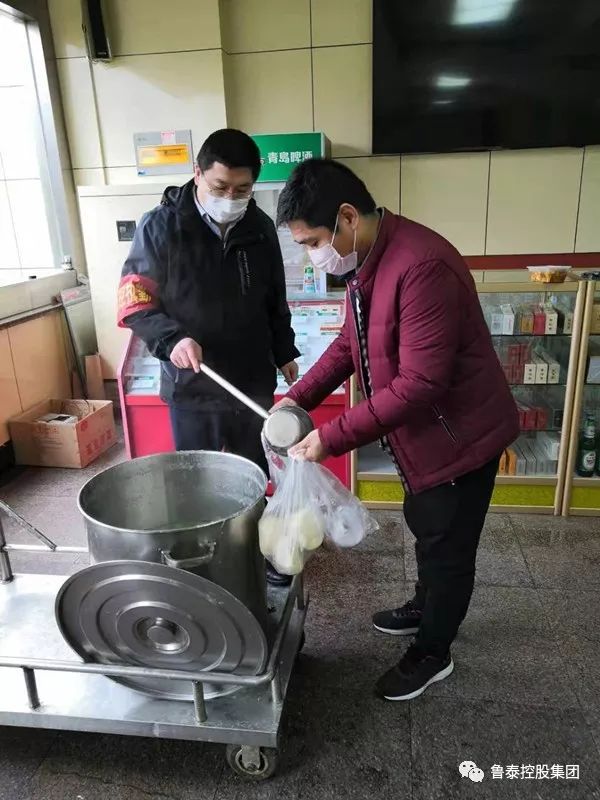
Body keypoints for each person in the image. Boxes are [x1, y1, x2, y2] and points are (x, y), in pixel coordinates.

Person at [273, 158, 519, 700]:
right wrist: (297, 397)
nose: (314, 256)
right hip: (425, 436)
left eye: (313, 242)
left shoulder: (422, 265)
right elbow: (349, 345)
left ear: (347, 218)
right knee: (429, 529)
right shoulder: (367, 262)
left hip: (459, 439)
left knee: (448, 549)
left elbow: (421, 383)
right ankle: (424, 606)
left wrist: (331, 437)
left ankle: (433, 653)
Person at [118, 128, 299, 586]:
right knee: (195, 484)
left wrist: (284, 350)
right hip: (193, 385)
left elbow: (274, 298)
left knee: (252, 478)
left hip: (251, 382)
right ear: (196, 173)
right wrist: (172, 339)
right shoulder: (161, 226)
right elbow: (134, 301)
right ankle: (202, 566)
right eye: (220, 187)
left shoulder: (259, 227)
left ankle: (254, 558)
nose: (231, 198)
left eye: (242, 189)